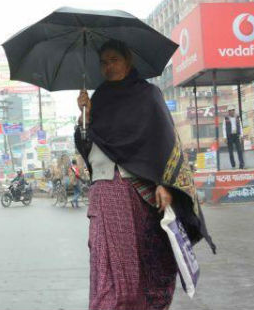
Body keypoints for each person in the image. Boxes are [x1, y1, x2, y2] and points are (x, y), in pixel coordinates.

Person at [75, 39, 215, 309]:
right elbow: (88, 149)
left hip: (141, 192)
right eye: (103, 62)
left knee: (150, 263)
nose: (108, 67)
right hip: (105, 191)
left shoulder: (148, 94)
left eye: (114, 60)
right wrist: (85, 118)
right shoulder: (98, 98)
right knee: (109, 264)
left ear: (128, 61)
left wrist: (164, 184)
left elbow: (163, 140)